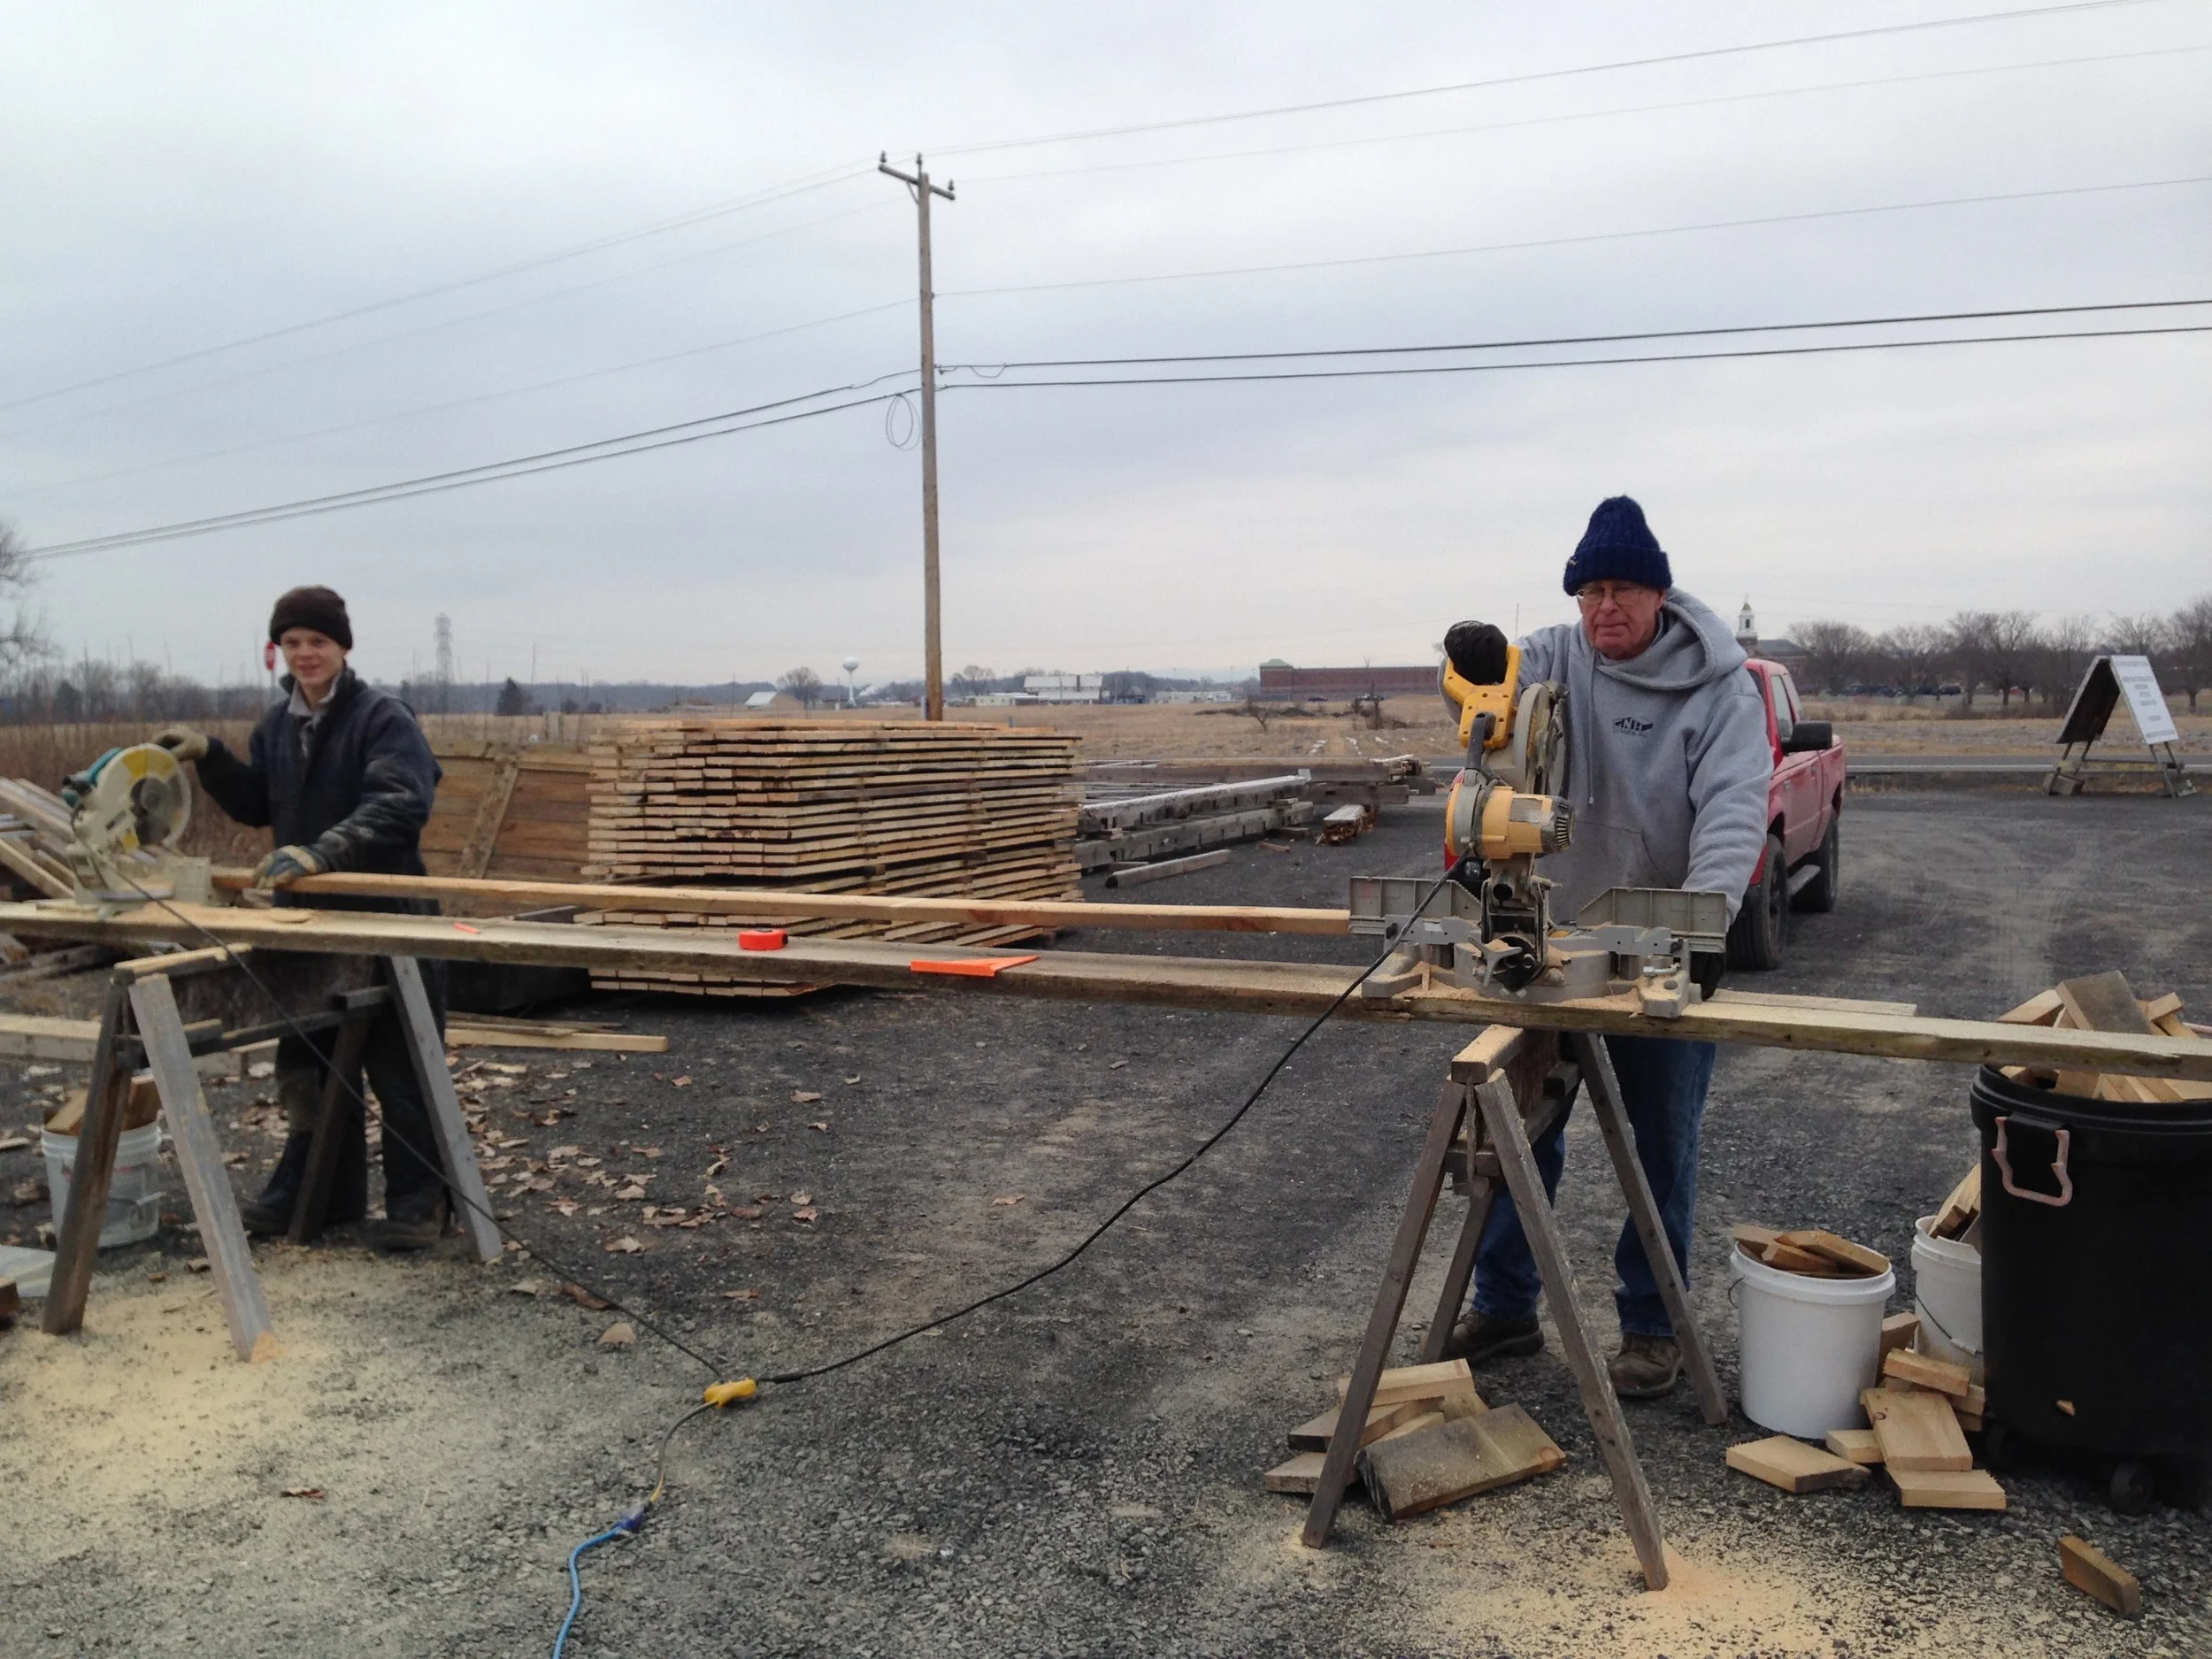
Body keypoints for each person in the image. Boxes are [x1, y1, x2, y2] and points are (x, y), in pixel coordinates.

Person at [1442, 496, 1772, 1399]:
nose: (1603, 608)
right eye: (1589, 591)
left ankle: (1652, 1328)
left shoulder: (1716, 686)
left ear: (1658, 593)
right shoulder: (1553, 657)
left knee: (1660, 1145)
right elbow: (1490, 717)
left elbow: (1736, 805)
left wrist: (1705, 922)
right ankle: (1506, 1307)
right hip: (1542, 934)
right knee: (1518, 1133)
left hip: (1659, 944)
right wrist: (1471, 670)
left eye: (1621, 588)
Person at [152, 585, 452, 1250]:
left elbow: (401, 803)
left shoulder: (382, 718)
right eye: (292, 642)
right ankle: (321, 1190)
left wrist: (323, 851)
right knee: (308, 1061)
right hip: (305, 925)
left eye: (317, 641)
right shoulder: (275, 726)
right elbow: (262, 804)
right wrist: (212, 755)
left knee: (400, 1066)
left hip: (387, 918)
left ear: (343, 646)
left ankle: (418, 1200)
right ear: (278, 649)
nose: (305, 653)